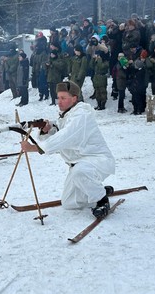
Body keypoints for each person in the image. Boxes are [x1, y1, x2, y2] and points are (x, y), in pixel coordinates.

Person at [20, 81, 116, 219]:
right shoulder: (68, 115)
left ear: (74, 98)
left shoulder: (81, 115)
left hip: (96, 161)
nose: (59, 102)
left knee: (79, 172)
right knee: (69, 203)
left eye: (63, 98)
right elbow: (59, 130)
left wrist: (33, 148)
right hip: (80, 164)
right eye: (58, 98)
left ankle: (101, 200)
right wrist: (48, 129)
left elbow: (65, 136)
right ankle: (97, 190)